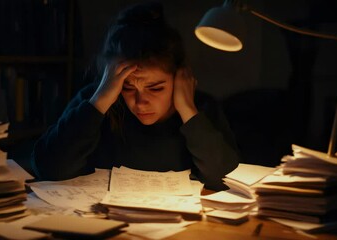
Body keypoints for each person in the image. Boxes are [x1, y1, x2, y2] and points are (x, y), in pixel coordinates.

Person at [31, 2, 240, 191]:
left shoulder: (200, 107)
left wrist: (187, 109)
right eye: (128, 87)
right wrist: (100, 100)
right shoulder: (95, 102)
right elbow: (49, 168)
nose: (140, 103)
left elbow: (222, 175)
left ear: (180, 78)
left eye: (156, 88)